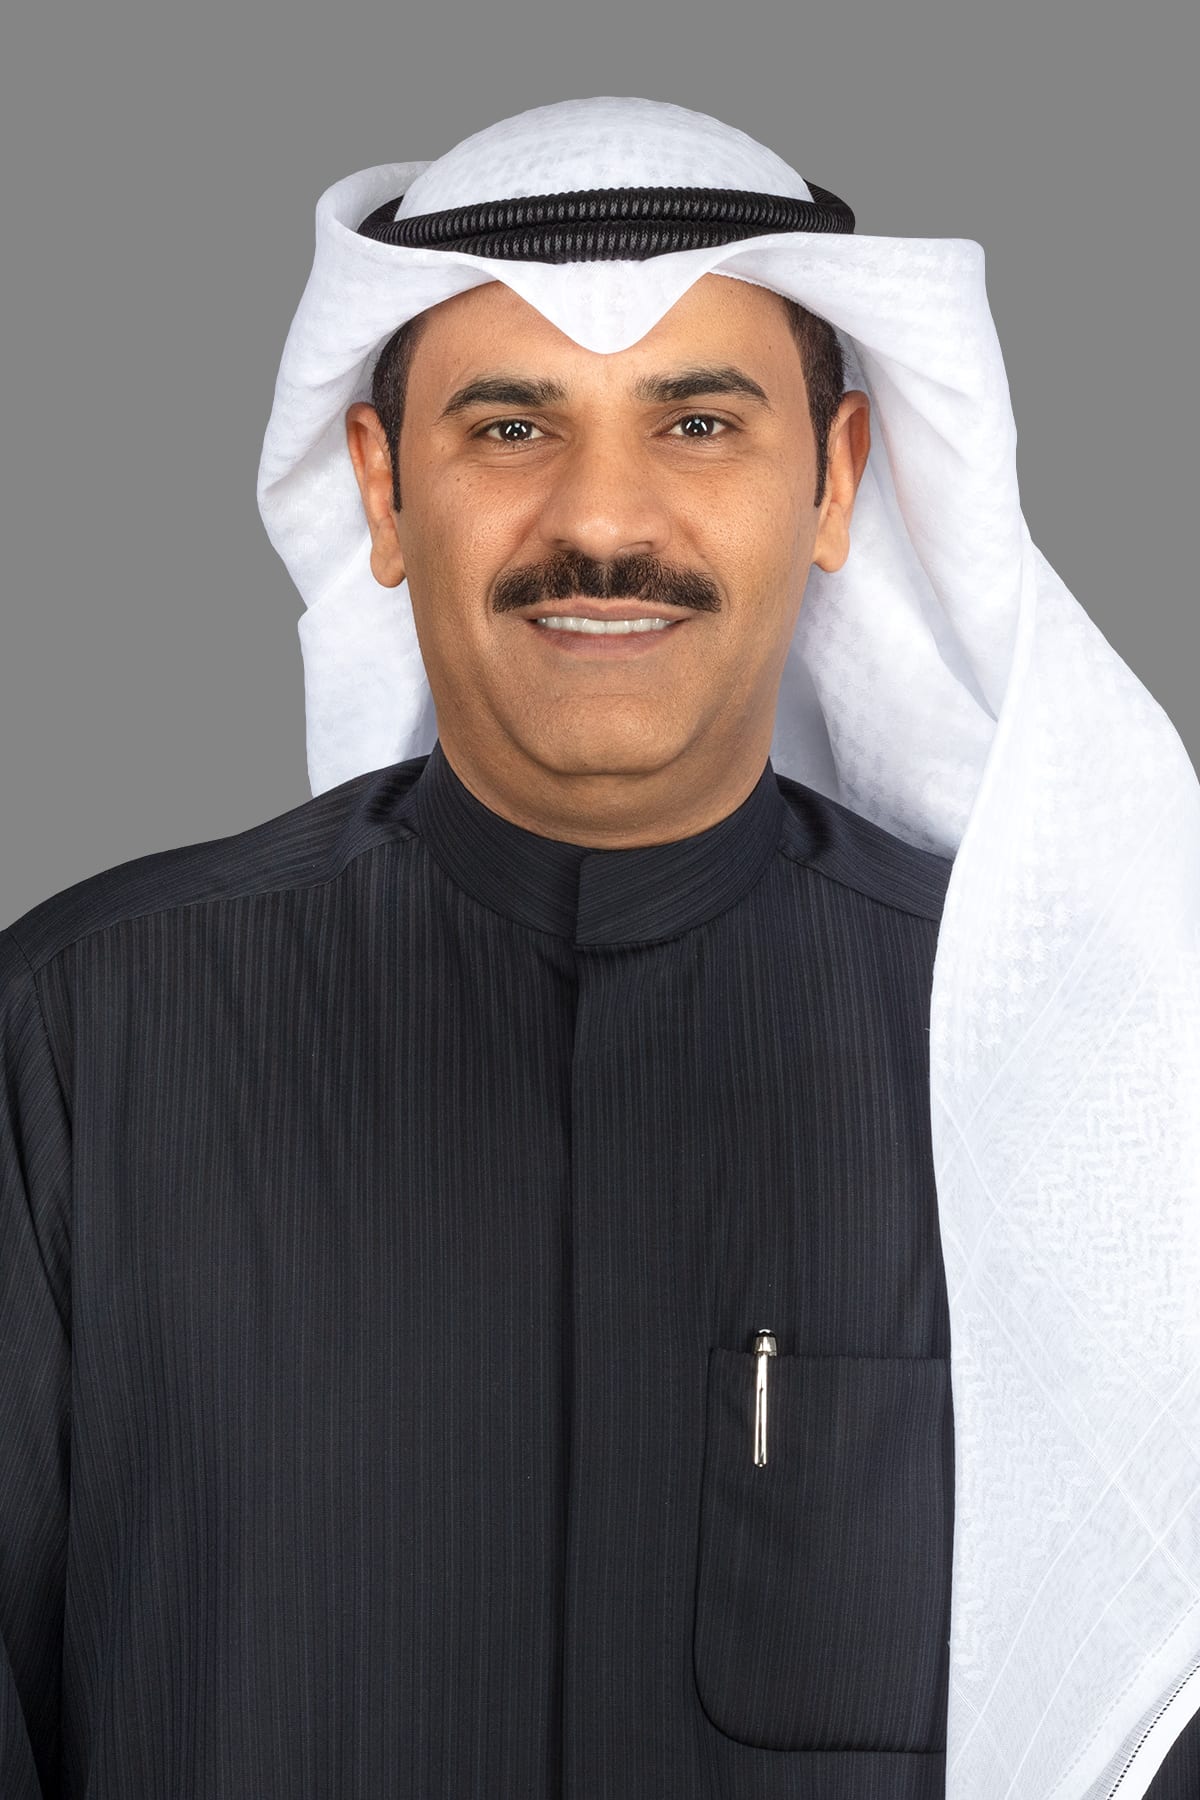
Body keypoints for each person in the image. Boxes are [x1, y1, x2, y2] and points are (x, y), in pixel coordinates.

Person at [2, 96, 1197, 1800]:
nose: (606, 521)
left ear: (836, 480)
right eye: (511, 425)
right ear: (384, 488)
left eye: (698, 423)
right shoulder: (78, 1041)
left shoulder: (1076, 1072)